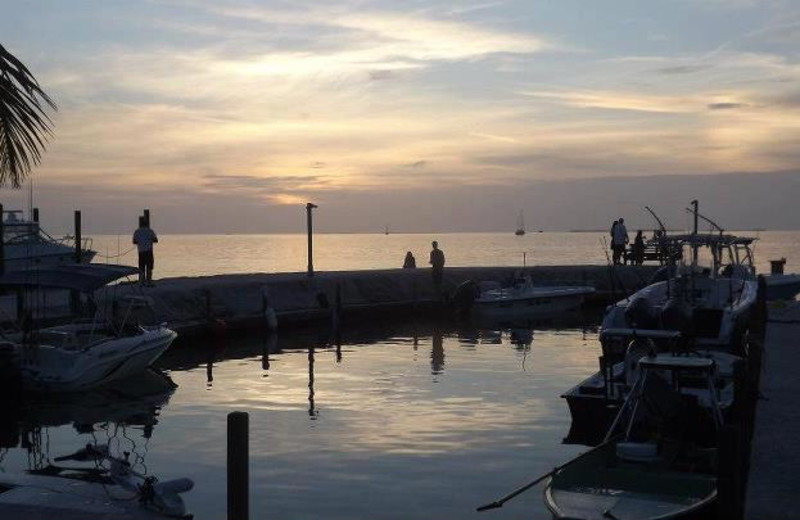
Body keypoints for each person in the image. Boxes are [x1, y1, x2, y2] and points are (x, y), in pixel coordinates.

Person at [133, 216, 158, 286]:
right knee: (149, 267)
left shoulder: (137, 231)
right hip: (148, 251)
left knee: (141, 267)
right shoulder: (150, 231)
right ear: (147, 224)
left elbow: (134, 241)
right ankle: (149, 281)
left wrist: (140, 241)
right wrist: (149, 240)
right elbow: (156, 240)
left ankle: (142, 281)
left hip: (141, 252)